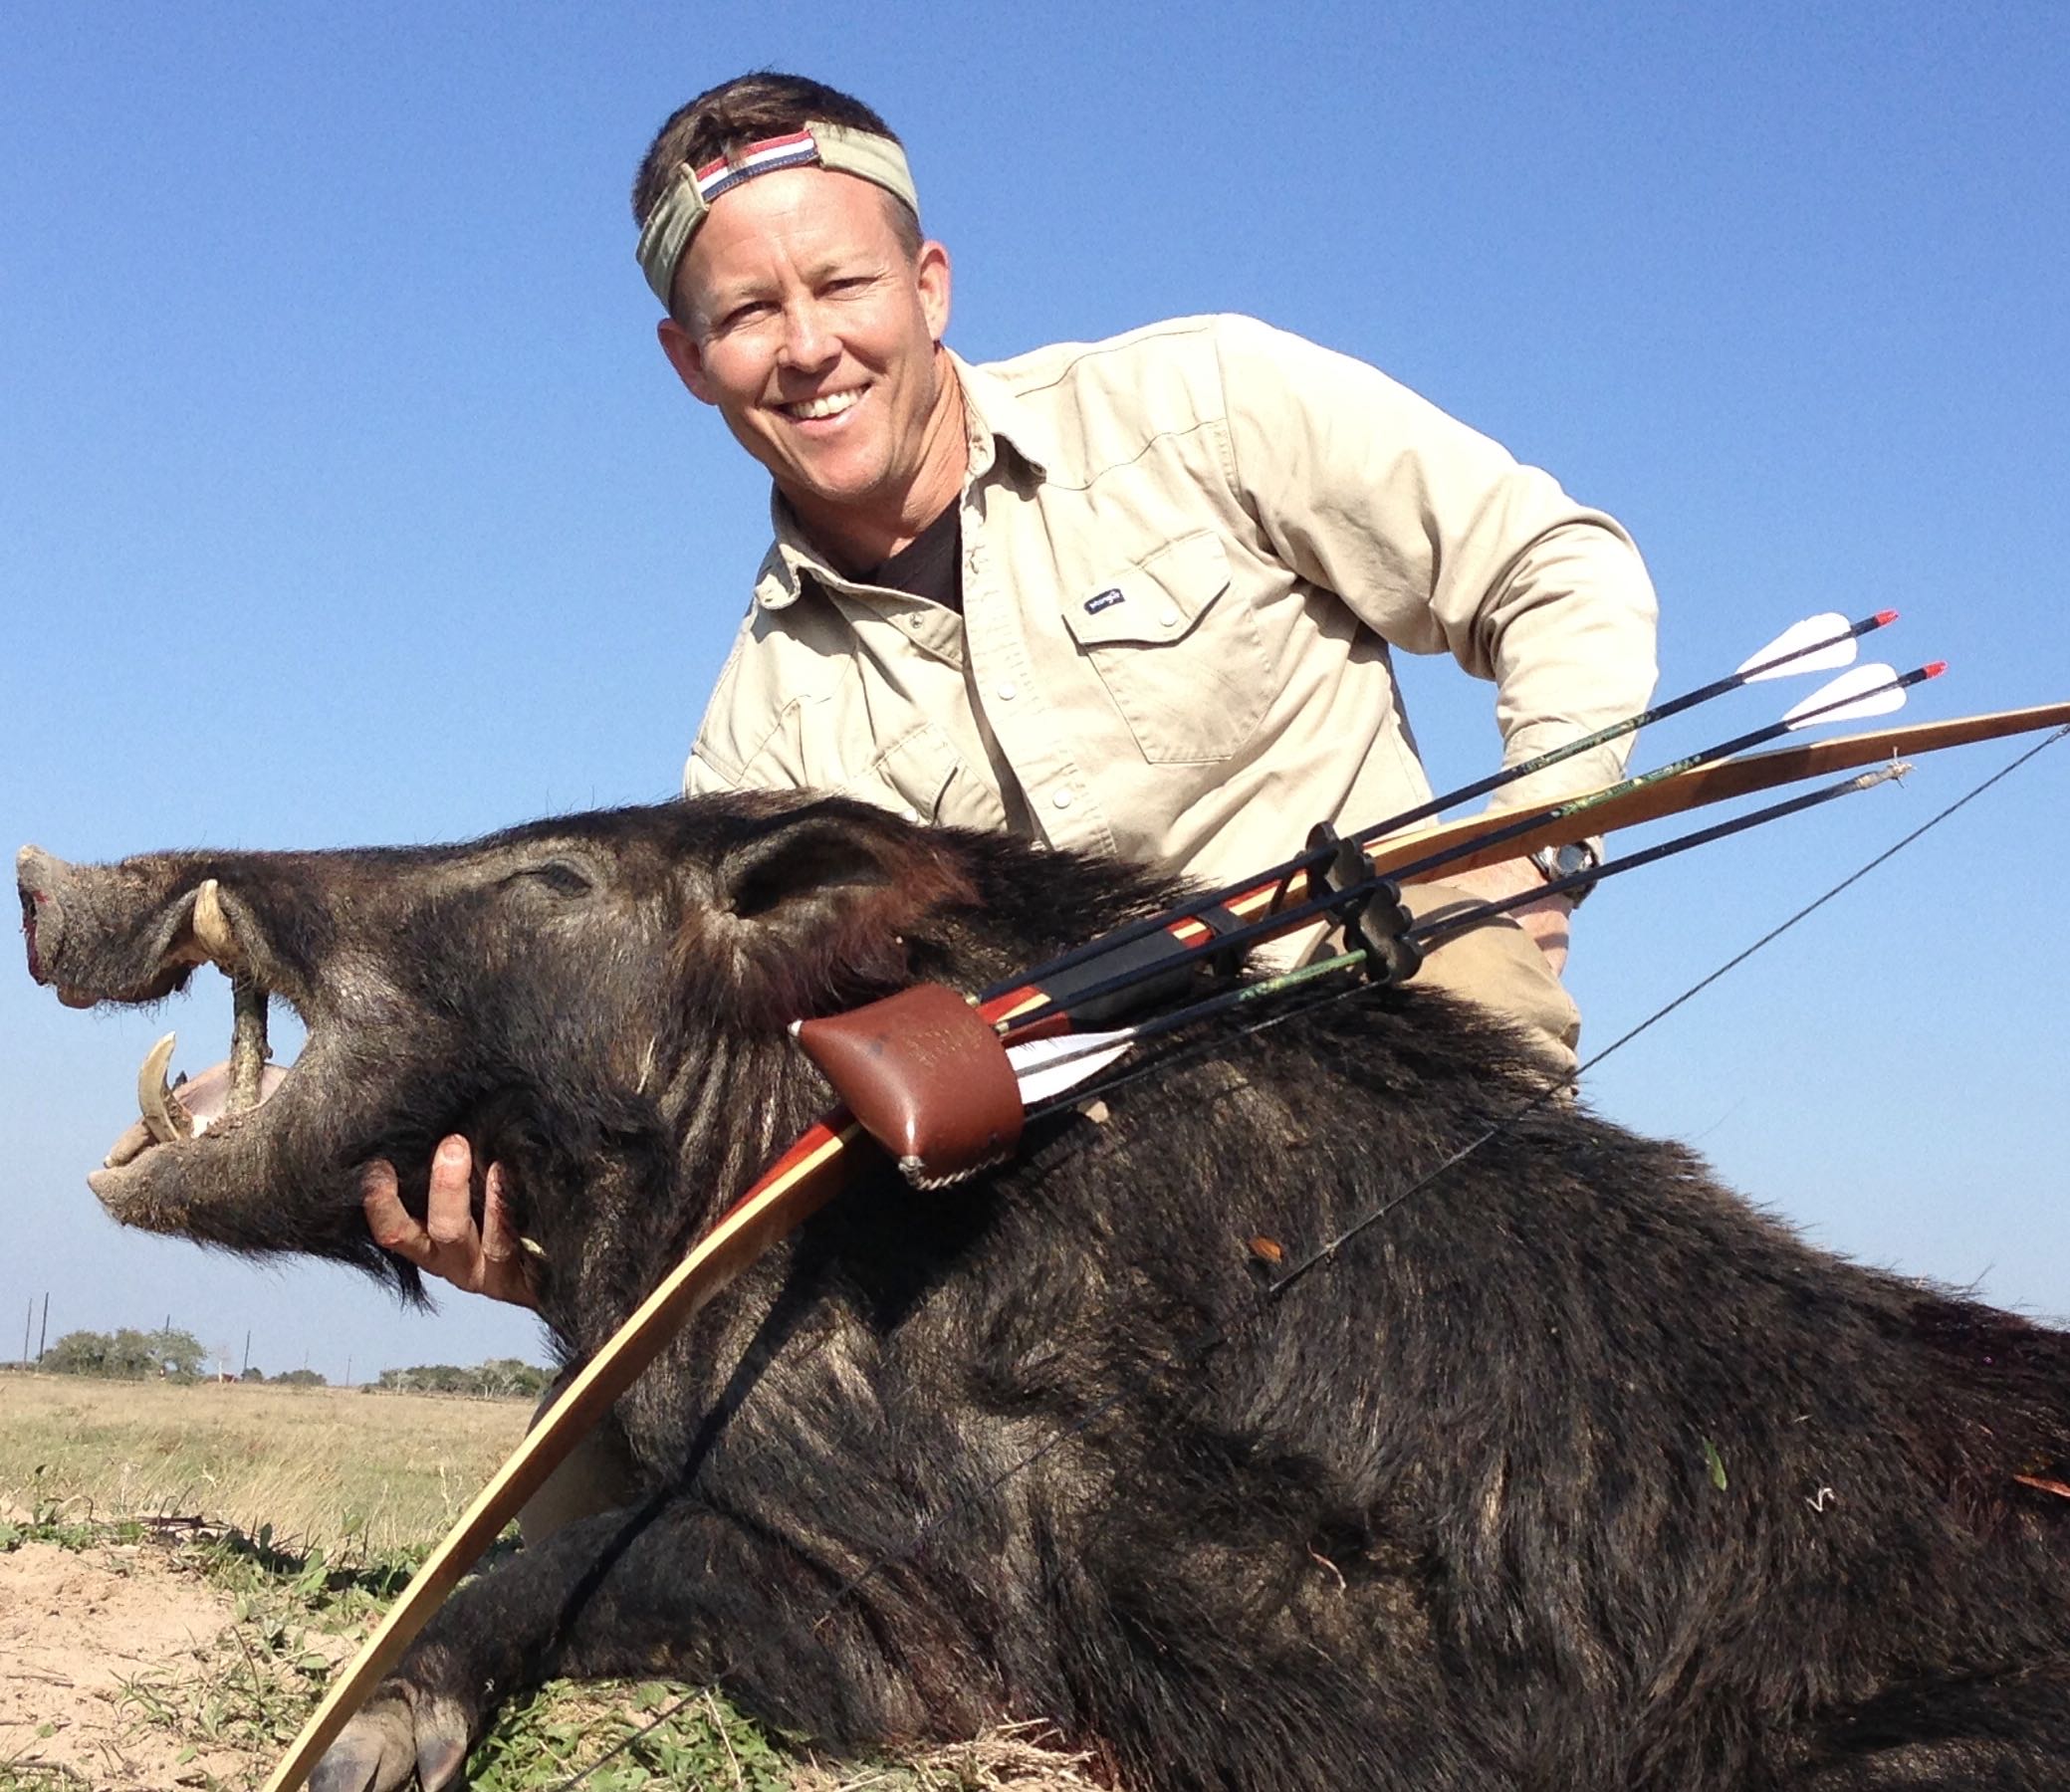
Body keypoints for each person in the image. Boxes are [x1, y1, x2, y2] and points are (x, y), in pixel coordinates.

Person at [363, 71, 1658, 1315]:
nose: (808, 347)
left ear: (928, 285)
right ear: (688, 360)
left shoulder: (1207, 404)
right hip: (1098, 1212)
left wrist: (1531, 839)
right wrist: (550, 1257)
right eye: (748, 312)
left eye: (843, 284)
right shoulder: (749, 752)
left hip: (1402, 1045)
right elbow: (742, 1114)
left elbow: (1555, 570)